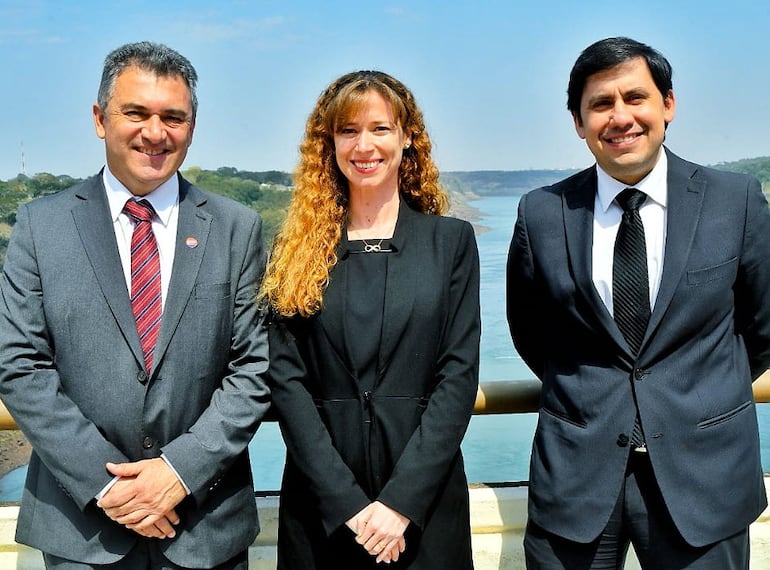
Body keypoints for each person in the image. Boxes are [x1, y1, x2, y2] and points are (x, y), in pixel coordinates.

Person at [0, 41, 270, 569]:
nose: (155, 132)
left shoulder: (237, 228)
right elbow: (20, 366)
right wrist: (110, 489)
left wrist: (178, 471)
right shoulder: (40, 226)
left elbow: (254, 369)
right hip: (83, 530)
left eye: (173, 117)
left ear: (192, 126)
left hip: (205, 523)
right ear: (101, 119)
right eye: (136, 113)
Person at [506, 36, 770, 569]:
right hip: (577, 480)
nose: (620, 117)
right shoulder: (542, 212)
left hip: (704, 480)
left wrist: (694, 393)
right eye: (601, 104)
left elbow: (762, 326)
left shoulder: (734, 201)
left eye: (635, 98)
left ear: (667, 105)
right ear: (579, 123)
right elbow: (532, 334)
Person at [261, 70, 480, 569]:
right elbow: (286, 382)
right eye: (348, 130)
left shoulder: (450, 243)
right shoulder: (291, 252)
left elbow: (458, 374)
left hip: (424, 507)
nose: (365, 145)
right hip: (322, 508)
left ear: (407, 139)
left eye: (380, 129)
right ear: (330, 144)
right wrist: (348, 505)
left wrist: (401, 502)